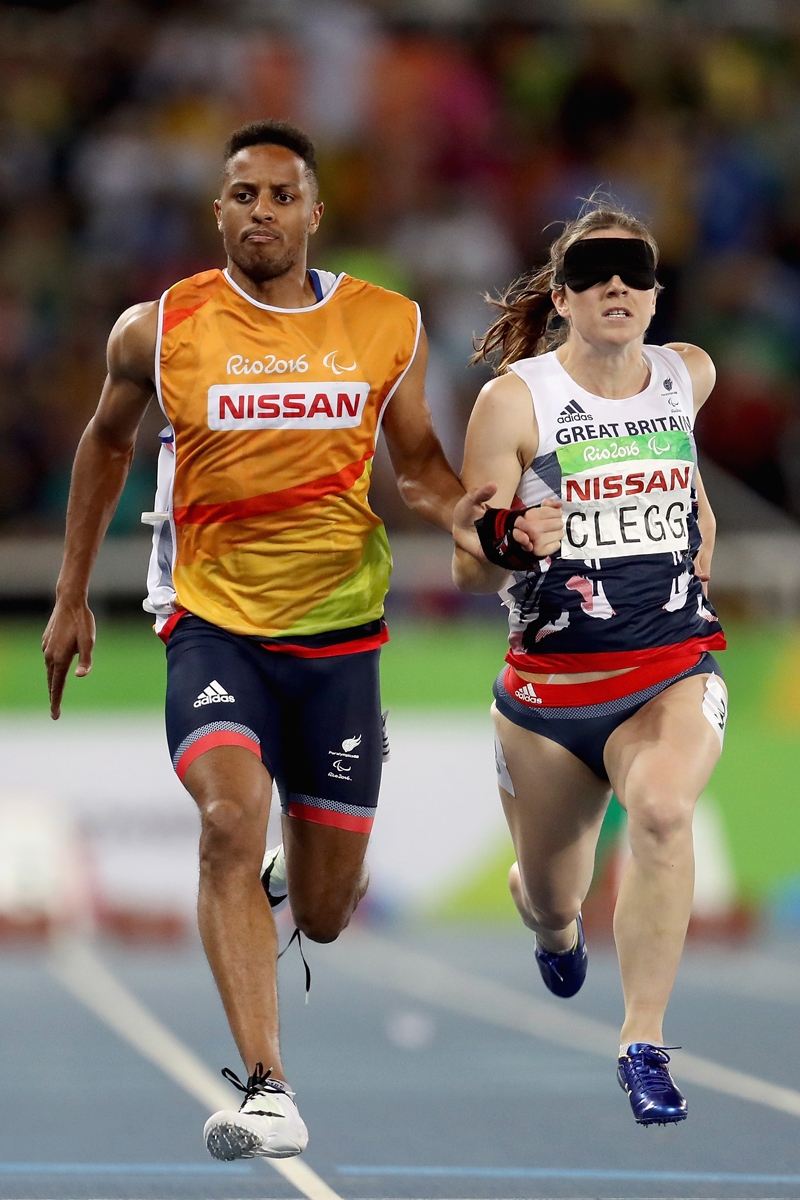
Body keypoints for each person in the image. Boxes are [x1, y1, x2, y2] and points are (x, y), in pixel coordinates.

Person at [42, 119, 465, 1160]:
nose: (261, 213)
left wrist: (470, 517)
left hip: (338, 636)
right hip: (211, 625)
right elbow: (105, 442)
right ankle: (269, 1086)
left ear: (315, 214)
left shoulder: (386, 324)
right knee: (226, 824)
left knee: (322, 917)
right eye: (243, 196)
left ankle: (301, 867)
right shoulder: (161, 326)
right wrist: (70, 593)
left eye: (281, 196)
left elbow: (415, 464)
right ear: (217, 210)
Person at [452, 200, 727, 1127]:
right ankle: (553, 924)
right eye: (598, 272)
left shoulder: (687, 374)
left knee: (661, 808)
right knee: (550, 900)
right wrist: (517, 539)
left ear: (654, 298)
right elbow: (463, 557)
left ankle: (642, 1041)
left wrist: (693, 520)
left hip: (671, 666)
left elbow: (682, 480)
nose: (620, 285)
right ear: (563, 298)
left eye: (637, 271)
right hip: (550, 697)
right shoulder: (516, 401)